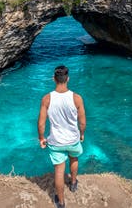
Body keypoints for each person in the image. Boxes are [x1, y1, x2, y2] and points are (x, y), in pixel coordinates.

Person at [37, 65, 86, 208]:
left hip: (56, 142)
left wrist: (41, 138)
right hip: (73, 139)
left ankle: (61, 202)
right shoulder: (77, 98)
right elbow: (82, 122)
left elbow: (41, 124)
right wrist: (81, 134)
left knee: (59, 171)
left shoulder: (47, 99)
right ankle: (73, 183)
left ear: (54, 79)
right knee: (74, 159)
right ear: (68, 78)